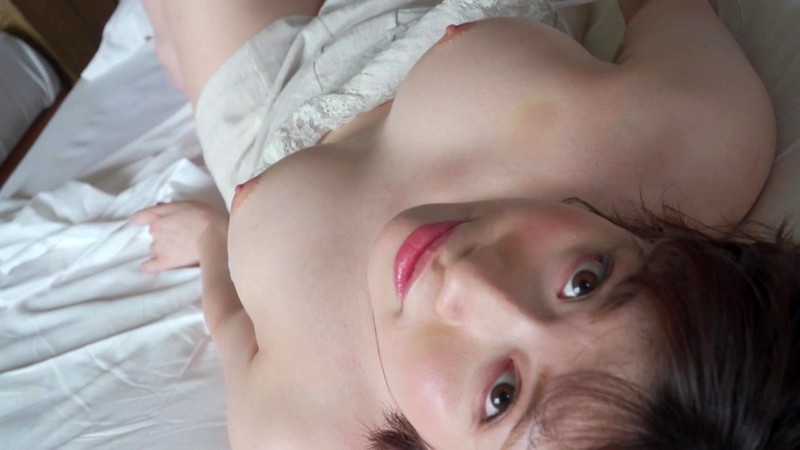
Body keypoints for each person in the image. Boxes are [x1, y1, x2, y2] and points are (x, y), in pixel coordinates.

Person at [132, 0, 788, 448]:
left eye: (501, 396)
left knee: (174, 31)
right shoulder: (696, 141)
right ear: (666, 251)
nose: (470, 278)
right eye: (584, 282)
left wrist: (211, 241)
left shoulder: (305, 430)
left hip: (265, 104)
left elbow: (232, 332)